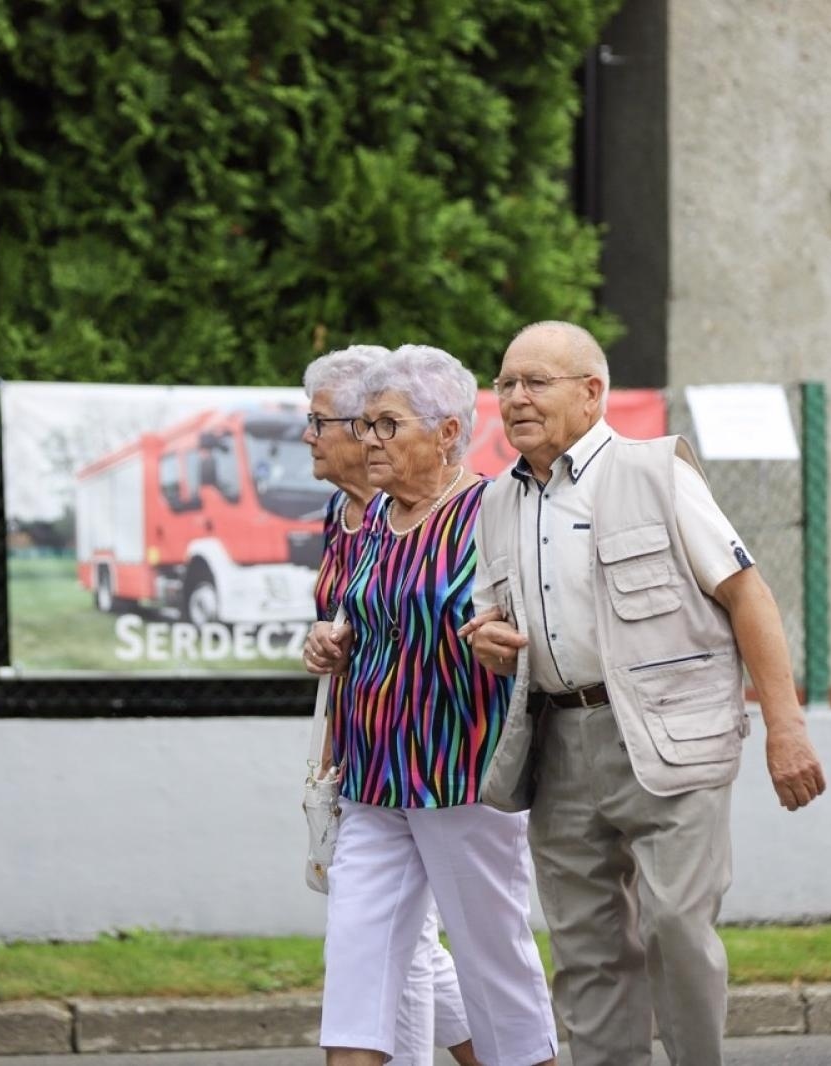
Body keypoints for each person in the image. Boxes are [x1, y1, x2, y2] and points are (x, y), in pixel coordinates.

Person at [459, 320, 826, 1066]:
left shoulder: (657, 473)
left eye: (535, 382)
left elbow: (749, 596)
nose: (515, 398)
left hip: (672, 740)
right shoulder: (496, 502)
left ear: (592, 393)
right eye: (505, 384)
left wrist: (786, 728)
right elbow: (492, 620)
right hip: (558, 747)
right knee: (587, 953)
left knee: (674, 929)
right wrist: (487, 639)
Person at [304, 344, 558, 1066]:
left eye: (387, 425)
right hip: (371, 780)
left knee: (492, 967)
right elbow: (363, 622)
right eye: (367, 426)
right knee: (355, 972)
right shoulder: (373, 521)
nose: (369, 441)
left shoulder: (493, 509)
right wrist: (330, 642)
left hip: (462, 776)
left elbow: (548, 618)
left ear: (447, 433)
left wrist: (514, 641)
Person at [302, 346, 479, 1066]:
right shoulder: (347, 519)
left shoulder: (441, 512)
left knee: (423, 957)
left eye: (322, 422)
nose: (311, 436)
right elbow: (356, 631)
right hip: (367, 763)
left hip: (441, 768)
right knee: (388, 951)